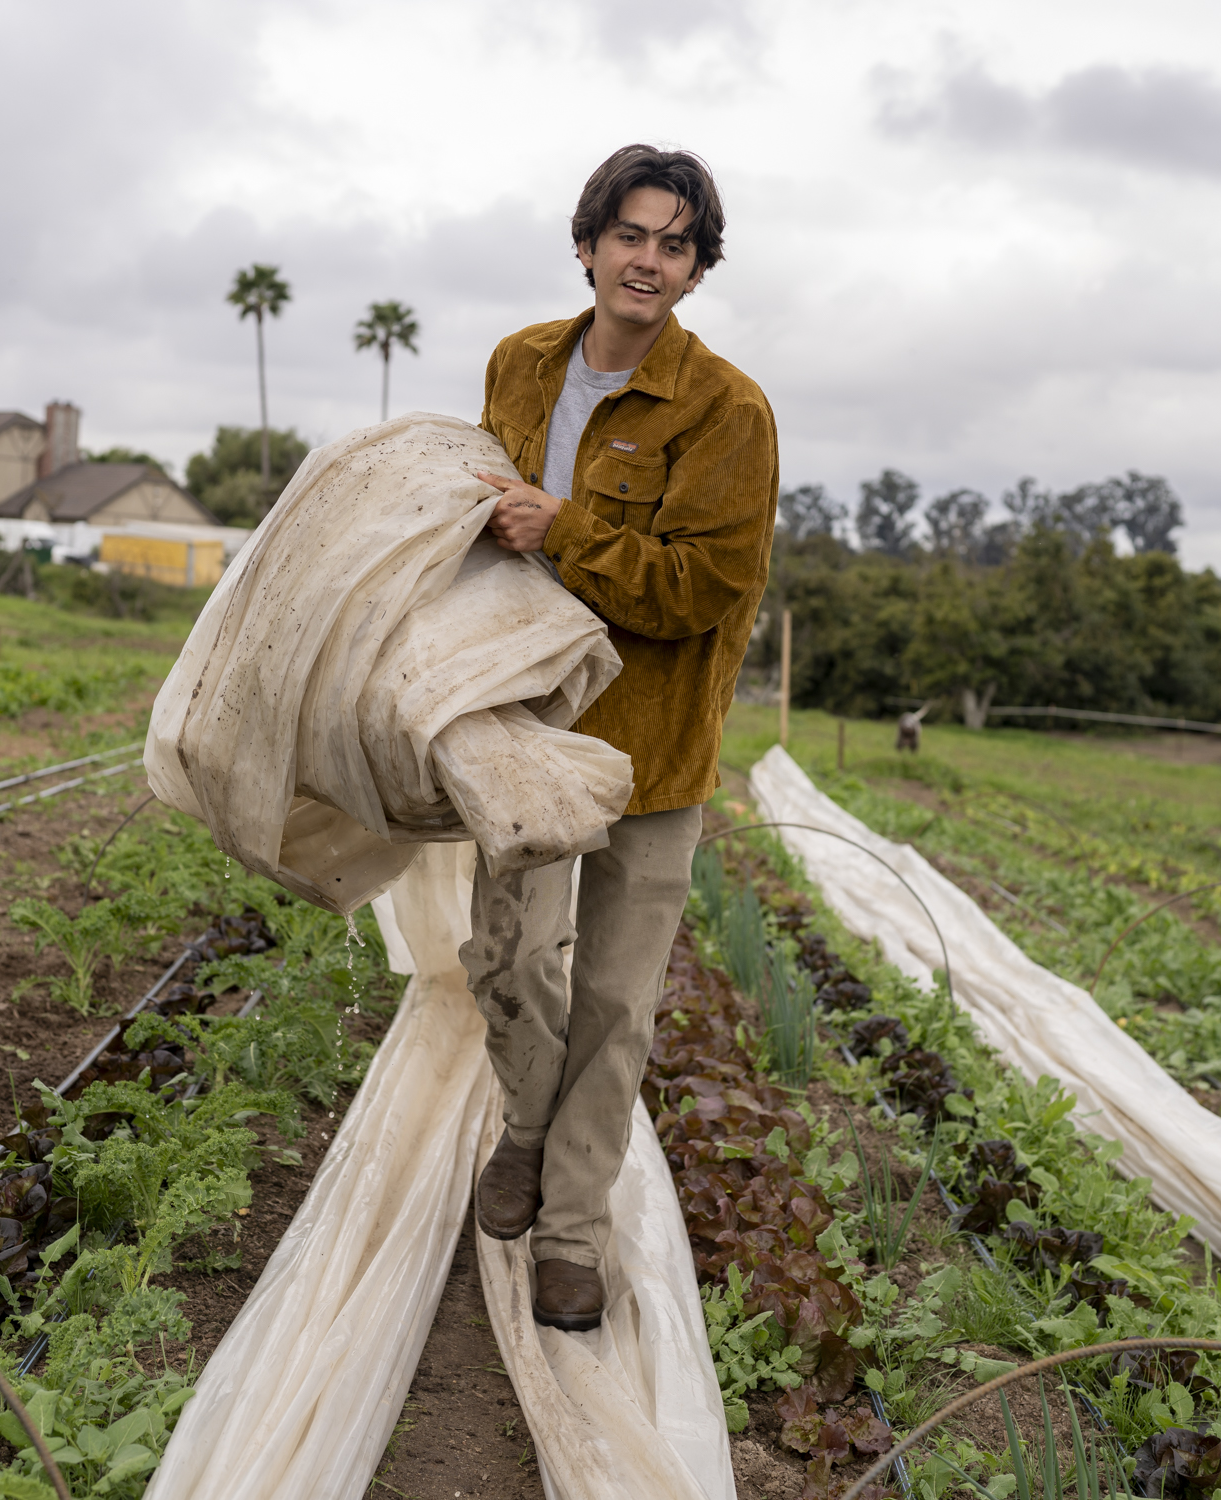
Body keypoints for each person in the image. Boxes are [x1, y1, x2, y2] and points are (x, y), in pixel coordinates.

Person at [466, 144, 778, 1331]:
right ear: (589, 242)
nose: (648, 261)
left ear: (697, 272)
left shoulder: (727, 411)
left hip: (650, 747)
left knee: (615, 999)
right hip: (521, 725)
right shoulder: (521, 364)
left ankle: (573, 1226)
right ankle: (529, 1130)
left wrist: (565, 530)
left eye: (676, 244)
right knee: (504, 959)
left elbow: (702, 587)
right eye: (631, 235)